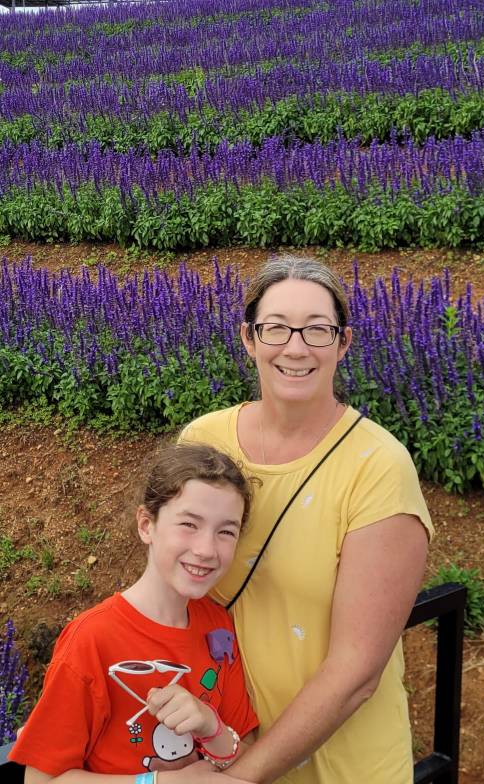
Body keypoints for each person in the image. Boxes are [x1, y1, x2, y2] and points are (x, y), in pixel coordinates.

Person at [176, 254, 433, 784]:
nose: (295, 348)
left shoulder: (378, 467)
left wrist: (240, 779)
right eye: (276, 328)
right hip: (216, 744)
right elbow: (167, 595)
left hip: (337, 767)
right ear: (249, 339)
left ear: (343, 343)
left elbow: (356, 673)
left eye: (317, 330)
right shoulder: (203, 441)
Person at [11, 445, 260, 784]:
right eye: (189, 524)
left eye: (226, 531)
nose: (206, 549)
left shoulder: (218, 626)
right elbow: (41, 781)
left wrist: (210, 725)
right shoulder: (92, 639)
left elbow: (246, 755)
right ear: (146, 525)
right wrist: (157, 782)